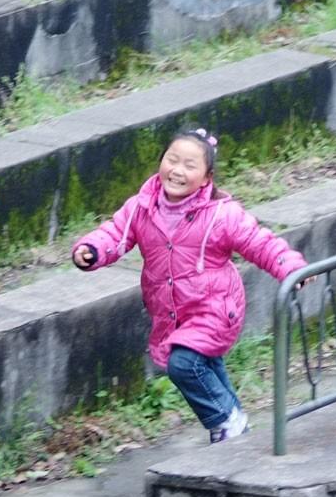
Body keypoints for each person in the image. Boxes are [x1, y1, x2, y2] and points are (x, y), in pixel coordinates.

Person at [72, 128, 305, 444]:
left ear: (207, 178)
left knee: (185, 364)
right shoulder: (141, 207)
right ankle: (238, 431)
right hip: (172, 311)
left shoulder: (222, 215)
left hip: (216, 307)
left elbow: (259, 242)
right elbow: (115, 234)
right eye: (172, 160)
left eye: (190, 165)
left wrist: (292, 269)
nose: (178, 171)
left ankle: (224, 423)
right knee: (205, 367)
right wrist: (92, 250)